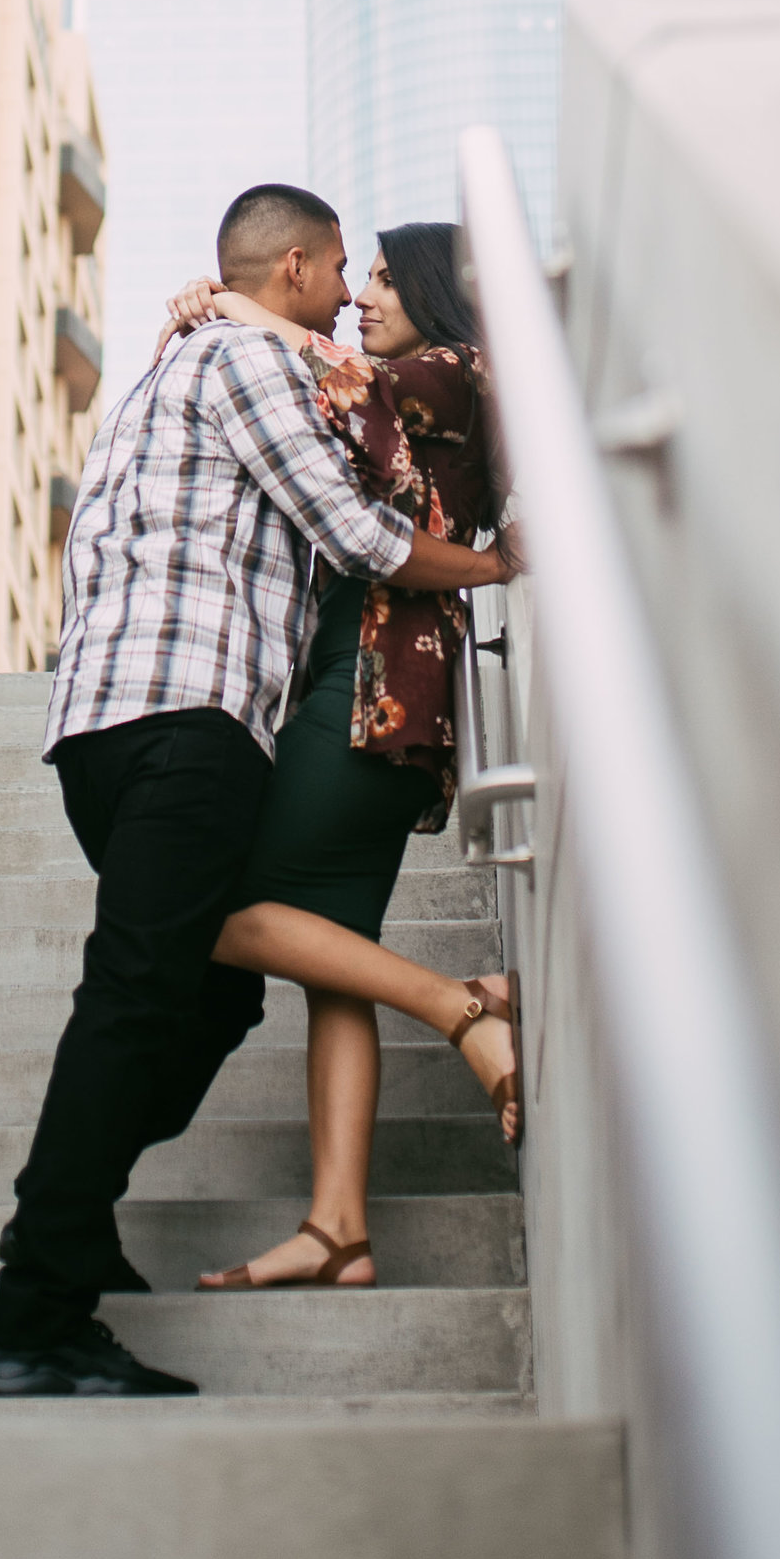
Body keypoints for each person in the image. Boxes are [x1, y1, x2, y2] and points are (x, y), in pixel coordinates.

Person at [0, 182, 511, 1400]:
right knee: (133, 1002)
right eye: (336, 275)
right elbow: (360, 532)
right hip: (185, 720)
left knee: (203, 1000)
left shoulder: (178, 366)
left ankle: (77, 1219)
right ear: (298, 267)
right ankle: (37, 1316)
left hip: (110, 723)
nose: (345, 299)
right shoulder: (244, 362)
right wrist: (493, 562)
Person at [160, 224, 521, 1293]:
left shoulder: (452, 373)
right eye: (355, 277)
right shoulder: (435, 379)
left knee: (210, 908)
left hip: (372, 680)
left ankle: (461, 1009)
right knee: (332, 957)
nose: (361, 295)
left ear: (435, 289)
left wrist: (236, 309)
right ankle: (337, 1228)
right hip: (370, 679)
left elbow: (344, 396)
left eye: (380, 276)